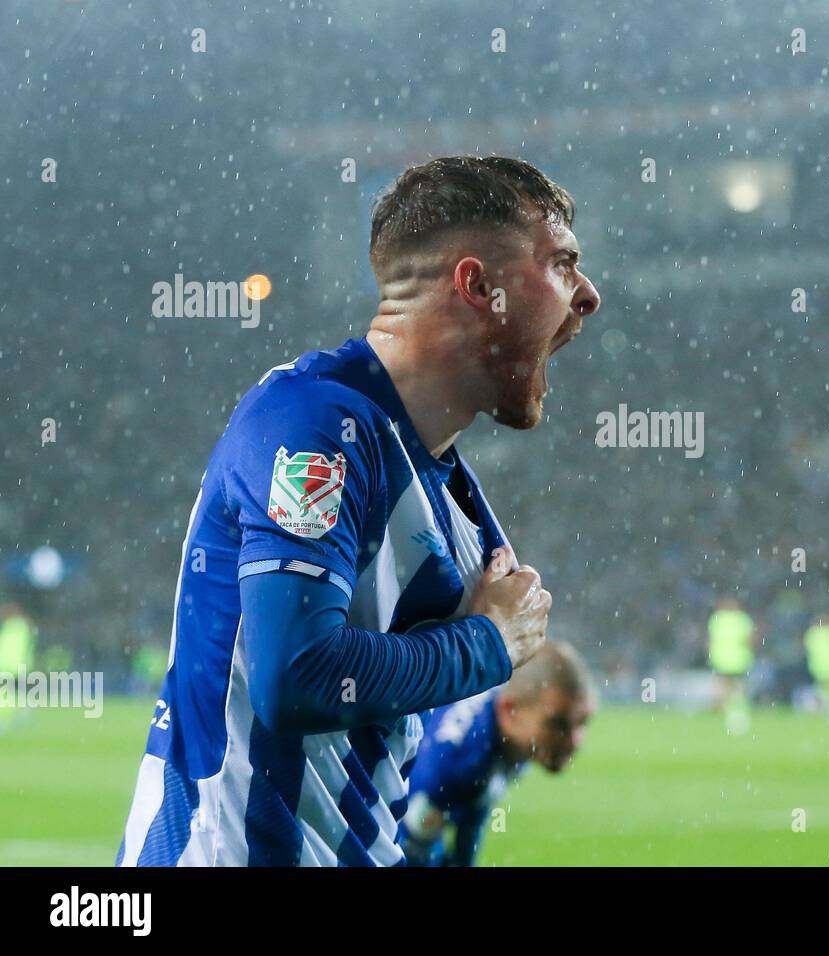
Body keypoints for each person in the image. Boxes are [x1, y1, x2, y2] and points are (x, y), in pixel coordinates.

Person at [116, 156, 601, 866]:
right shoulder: (311, 425)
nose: (587, 295)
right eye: (562, 263)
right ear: (477, 286)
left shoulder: (456, 497)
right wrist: (487, 645)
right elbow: (298, 676)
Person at [399, 641, 595, 866]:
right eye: (558, 724)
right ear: (509, 711)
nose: (573, 741)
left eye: (582, 722)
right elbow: (405, 849)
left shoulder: (510, 731)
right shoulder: (455, 764)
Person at [707, 595, 755, 734]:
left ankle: (723, 713)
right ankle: (737, 712)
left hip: (721, 659)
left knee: (722, 687)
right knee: (738, 688)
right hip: (739, 659)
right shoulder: (742, 619)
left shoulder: (717, 618)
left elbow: (711, 640)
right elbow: (749, 639)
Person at [0, 603, 37, 732]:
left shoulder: (12, 627)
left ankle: (7, 719)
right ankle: (23, 714)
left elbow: (8, 648)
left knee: (8, 693)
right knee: (18, 692)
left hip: (10, 666)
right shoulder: (24, 626)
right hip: (19, 666)